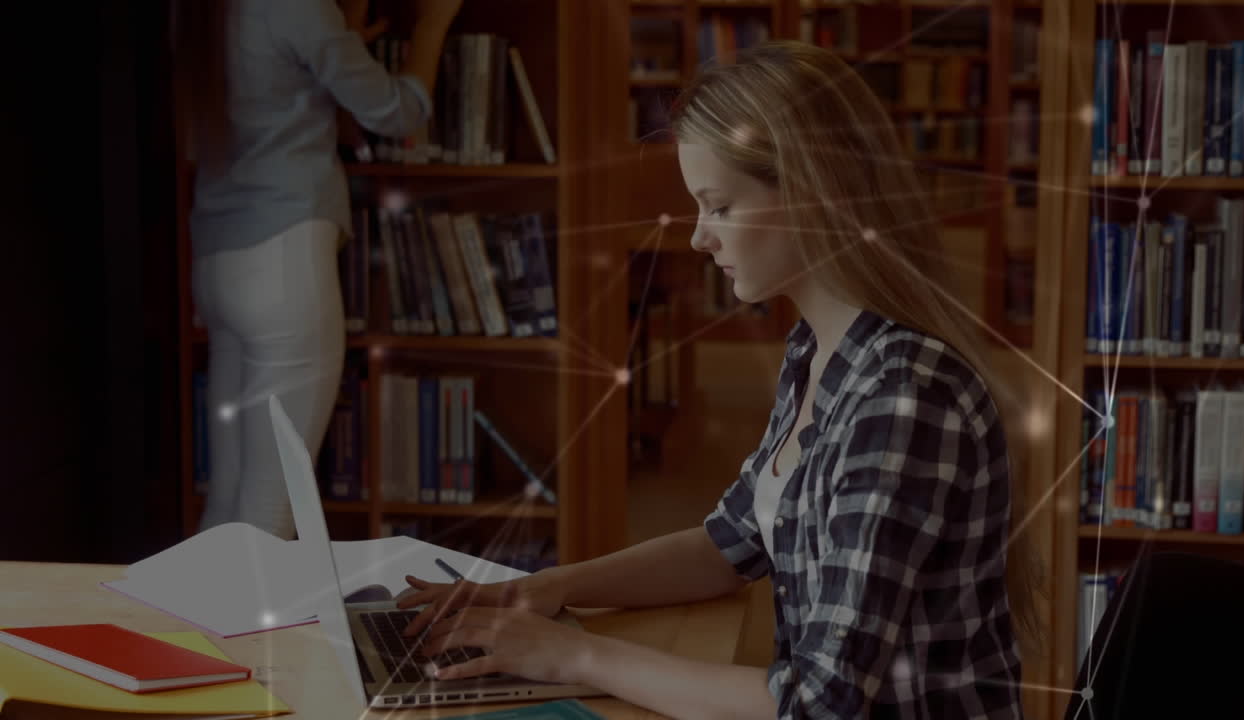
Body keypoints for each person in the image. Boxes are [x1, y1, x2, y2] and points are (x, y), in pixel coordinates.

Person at [394, 40, 1037, 719]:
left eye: (720, 205)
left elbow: (821, 704)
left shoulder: (903, 399)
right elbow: (729, 544)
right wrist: (547, 590)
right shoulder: (818, 351)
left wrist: (572, 655)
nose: (700, 237)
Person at [174, 0, 461, 539]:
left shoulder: (196, 16)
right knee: (273, 505)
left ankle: (202, 623)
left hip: (217, 259)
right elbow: (395, 114)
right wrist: (432, 26)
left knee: (229, 499)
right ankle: (252, 626)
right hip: (285, 262)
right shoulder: (297, 7)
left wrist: (342, 36)